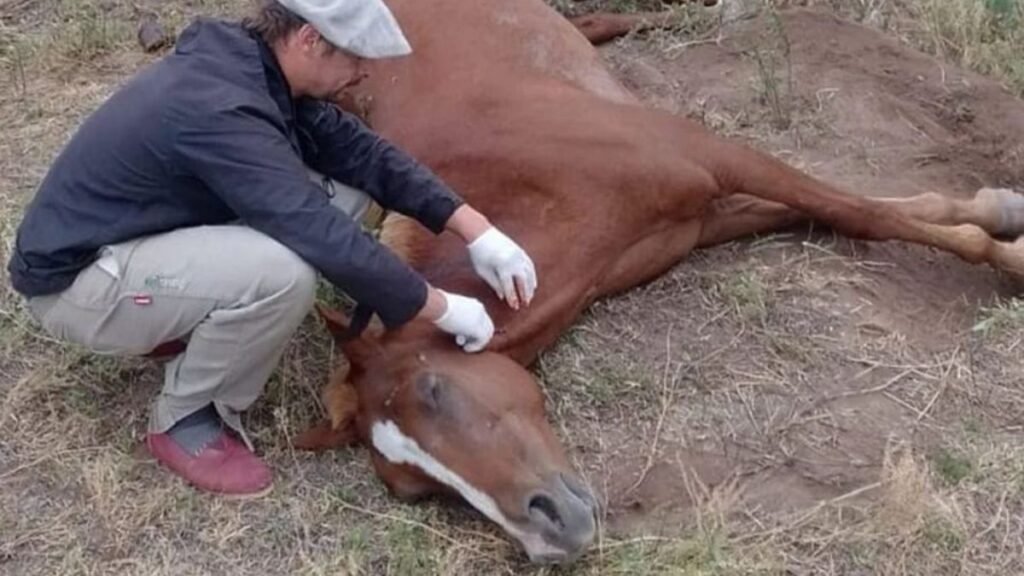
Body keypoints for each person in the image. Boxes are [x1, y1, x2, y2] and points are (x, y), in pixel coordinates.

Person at [5, 0, 538, 499]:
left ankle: (190, 317)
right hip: (80, 284)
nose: (364, 72)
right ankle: (187, 417)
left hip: (138, 237)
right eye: (355, 56)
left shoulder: (257, 69)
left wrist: (477, 230)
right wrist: (439, 307)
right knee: (283, 275)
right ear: (309, 40)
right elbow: (309, 225)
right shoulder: (220, 106)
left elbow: (363, 155)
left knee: (347, 194)